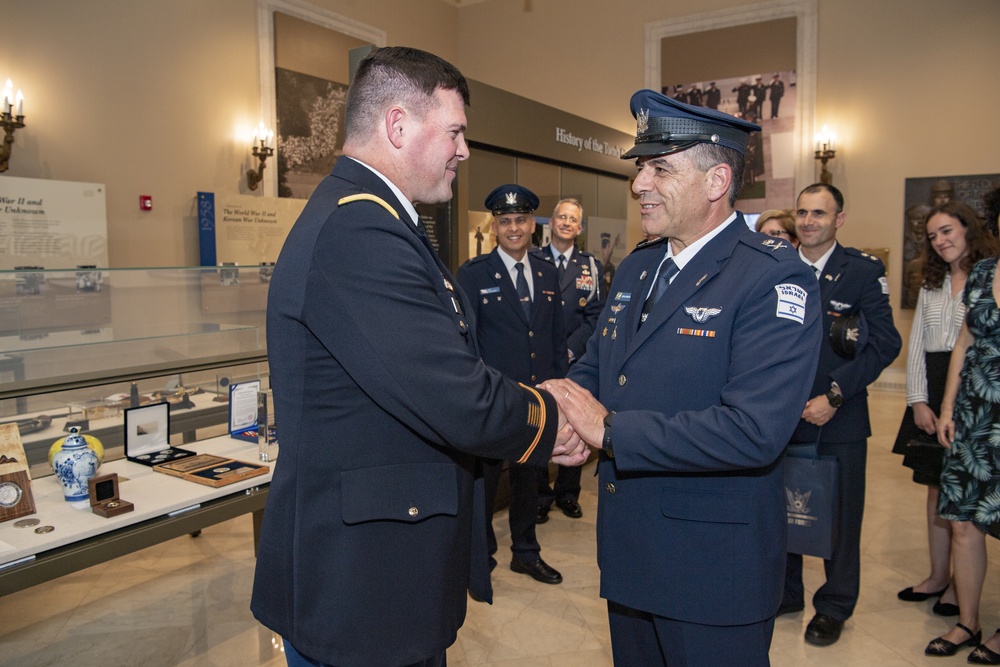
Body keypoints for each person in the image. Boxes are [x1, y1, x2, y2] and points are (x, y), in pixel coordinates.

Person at [250, 47, 585, 667]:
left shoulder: (373, 218)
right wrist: (550, 419)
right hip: (363, 588)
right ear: (398, 126)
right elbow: (452, 392)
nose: (463, 150)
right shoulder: (360, 231)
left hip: (380, 573)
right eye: (455, 131)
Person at [541, 89, 822, 666]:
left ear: (717, 180)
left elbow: (753, 429)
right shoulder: (639, 266)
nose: (640, 184)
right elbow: (600, 364)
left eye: (659, 168)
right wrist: (563, 407)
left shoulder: (772, 278)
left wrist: (611, 432)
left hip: (713, 569)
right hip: (630, 552)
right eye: (641, 168)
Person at [779, 183, 902, 647]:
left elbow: (885, 343)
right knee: (785, 508)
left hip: (840, 416)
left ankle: (833, 605)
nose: (809, 221)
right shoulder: (779, 265)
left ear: (839, 219)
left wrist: (834, 395)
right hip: (784, 416)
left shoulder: (862, 272)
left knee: (840, 516)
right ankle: (787, 594)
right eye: (803, 212)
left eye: (819, 213)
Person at [456, 185, 569, 586]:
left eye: (521, 220)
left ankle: (525, 552)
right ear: (494, 227)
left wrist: (558, 388)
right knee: (485, 483)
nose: (514, 228)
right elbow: (465, 342)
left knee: (528, 481)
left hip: (535, 399)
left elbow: (556, 336)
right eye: (505, 222)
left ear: (532, 225)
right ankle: (480, 556)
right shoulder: (473, 274)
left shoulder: (547, 271)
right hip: (492, 399)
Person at [893, 202, 999, 621]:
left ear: (969, 229)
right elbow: (918, 341)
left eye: (948, 231)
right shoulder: (932, 281)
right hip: (937, 387)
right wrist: (919, 400)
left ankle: (961, 584)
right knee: (937, 488)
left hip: (977, 389)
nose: (941, 241)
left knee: (971, 502)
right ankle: (939, 576)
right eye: (933, 235)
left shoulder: (985, 274)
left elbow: (971, 342)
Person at [926, 250, 1000, 661]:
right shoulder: (984, 271)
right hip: (975, 413)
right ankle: (968, 622)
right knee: (964, 525)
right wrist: (949, 407)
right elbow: (965, 340)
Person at [535, 198, 606, 523]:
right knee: (539, 423)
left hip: (573, 360)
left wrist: (569, 349)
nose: (566, 222)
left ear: (580, 228)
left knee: (575, 423)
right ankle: (539, 495)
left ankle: (567, 493)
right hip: (538, 359)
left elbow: (596, 317)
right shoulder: (533, 259)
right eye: (561, 217)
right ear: (551, 223)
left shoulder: (590, 266)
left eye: (572, 219)